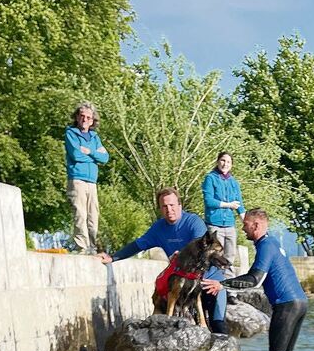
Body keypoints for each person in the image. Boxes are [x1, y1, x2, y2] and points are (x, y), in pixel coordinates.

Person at [102, 189, 226, 331]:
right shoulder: (158, 228)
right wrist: (113, 257)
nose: (169, 210)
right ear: (160, 209)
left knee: (218, 326)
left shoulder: (193, 222)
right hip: (182, 283)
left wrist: (182, 255)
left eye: (172, 205)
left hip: (210, 280)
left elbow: (203, 249)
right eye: (164, 206)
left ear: (180, 205)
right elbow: (137, 245)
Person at [213, 209, 308, 351]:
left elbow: (254, 280)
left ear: (256, 225)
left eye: (246, 224)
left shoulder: (266, 245)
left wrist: (222, 285)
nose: (243, 228)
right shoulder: (272, 241)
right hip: (300, 302)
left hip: (286, 304)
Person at [65, 102, 109, 254]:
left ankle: (92, 247)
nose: (84, 119)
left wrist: (89, 152)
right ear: (77, 117)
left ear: (92, 121)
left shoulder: (95, 137)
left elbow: (105, 158)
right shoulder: (71, 133)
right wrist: (95, 156)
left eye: (88, 117)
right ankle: (82, 247)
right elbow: (76, 154)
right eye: (82, 116)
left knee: (93, 216)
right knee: (80, 214)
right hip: (77, 179)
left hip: (92, 181)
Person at [201, 151, 245, 278]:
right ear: (217, 161)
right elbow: (209, 201)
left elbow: (239, 205)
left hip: (230, 225)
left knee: (230, 257)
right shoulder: (210, 178)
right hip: (214, 225)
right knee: (216, 257)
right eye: (223, 160)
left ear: (232, 165)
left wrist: (247, 223)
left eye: (228, 162)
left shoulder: (234, 182)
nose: (225, 164)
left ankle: (228, 287)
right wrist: (228, 205)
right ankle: (214, 282)